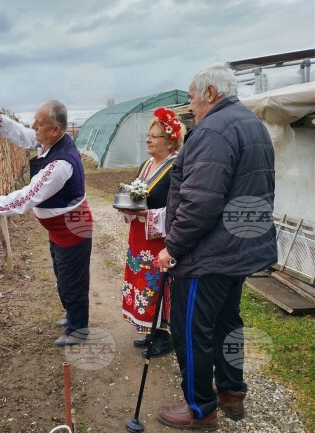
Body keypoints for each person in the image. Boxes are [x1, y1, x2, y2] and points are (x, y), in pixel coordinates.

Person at [156, 64, 277, 430]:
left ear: (210, 93)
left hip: (209, 254)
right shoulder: (252, 123)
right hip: (239, 248)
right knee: (227, 322)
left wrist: (173, 247)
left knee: (193, 330)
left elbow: (200, 203)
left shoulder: (212, 130)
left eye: (192, 98)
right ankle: (231, 392)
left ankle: (200, 408)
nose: (190, 107)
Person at [0, 99, 93, 347]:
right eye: (35, 121)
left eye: (40, 123)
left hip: (72, 227)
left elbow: (28, 196)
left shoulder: (60, 164)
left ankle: (78, 329)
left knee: (72, 280)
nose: (34, 126)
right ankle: (72, 315)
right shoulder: (50, 142)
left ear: (55, 130)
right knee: (62, 275)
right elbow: (24, 136)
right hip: (60, 227)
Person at [120, 108, 185, 358]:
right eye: (147, 135)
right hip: (139, 237)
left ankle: (163, 335)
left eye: (154, 136)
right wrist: (127, 206)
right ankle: (149, 329)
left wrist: (148, 214)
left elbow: (178, 208)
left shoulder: (176, 167)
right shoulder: (145, 166)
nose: (148, 139)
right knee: (142, 284)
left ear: (169, 141)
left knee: (157, 285)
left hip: (159, 240)